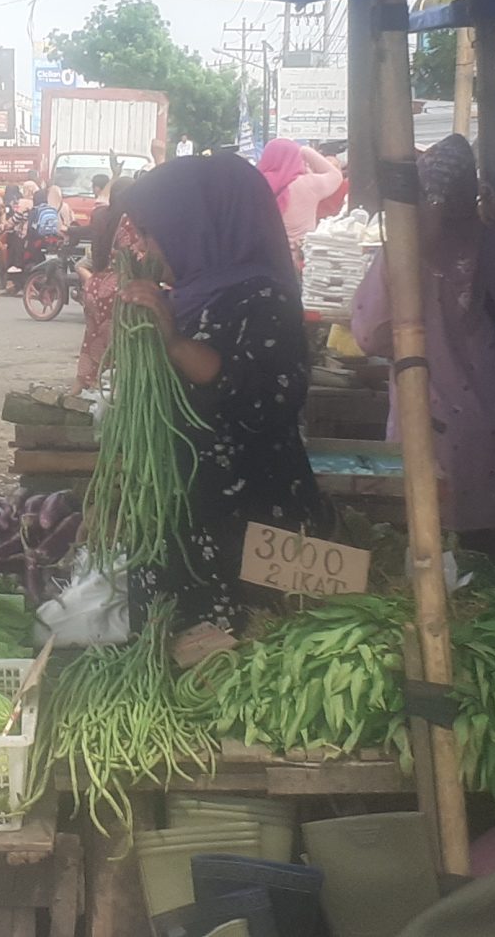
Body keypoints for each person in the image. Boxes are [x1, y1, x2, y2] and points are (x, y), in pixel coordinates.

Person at [113, 153, 327, 635]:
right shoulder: (191, 293)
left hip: (245, 519)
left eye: (151, 231)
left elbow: (265, 397)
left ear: (195, 224)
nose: (145, 247)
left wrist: (173, 343)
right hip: (180, 511)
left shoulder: (265, 298)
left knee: (245, 660)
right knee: (172, 659)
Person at [353, 136, 495, 541]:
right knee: (486, 549)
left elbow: (368, 336)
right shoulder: (494, 241)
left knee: (424, 533)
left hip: (423, 408)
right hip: (490, 407)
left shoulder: (402, 251)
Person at [74, 177, 135, 394]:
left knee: (92, 340)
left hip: (95, 285)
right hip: (117, 287)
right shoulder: (129, 221)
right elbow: (133, 256)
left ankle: (83, 383)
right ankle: (115, 392)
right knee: (119, 345)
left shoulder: (101, 216)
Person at [255, 137, 347, 256]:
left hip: (265, 255)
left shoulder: (256, 184)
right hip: (300, 256)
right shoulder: (307, 184)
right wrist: (304, 150)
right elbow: (336, 176)